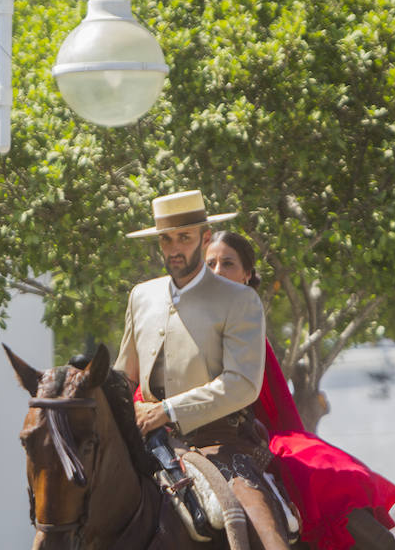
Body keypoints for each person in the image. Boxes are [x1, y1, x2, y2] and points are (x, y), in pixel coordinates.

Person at [203, 230, 395, 550]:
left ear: (247, 274)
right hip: (189, 437)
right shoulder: (184, 320)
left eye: (227, 263)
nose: (217, 271)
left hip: (254, 435)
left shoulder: (249, 325)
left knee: (323, 469)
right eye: (210, 264)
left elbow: (267, 400)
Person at [115, 190, 291, 550]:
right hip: (147, 443)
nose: (174, 248)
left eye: (184, 237)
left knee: (264, 532)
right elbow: (123, 376)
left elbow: (242, 384)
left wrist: (167, 410)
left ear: (205, 238)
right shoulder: (141, 296)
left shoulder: (239, 299)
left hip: (221, 443)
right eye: (166, 239)